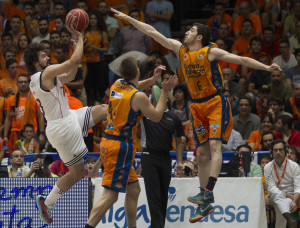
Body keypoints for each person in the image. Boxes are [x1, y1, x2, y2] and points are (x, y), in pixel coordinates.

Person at [111, 7, 281, 222]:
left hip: (215, 102)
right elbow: (153, 32)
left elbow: (242, 60)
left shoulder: (210, 52)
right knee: (200, 154)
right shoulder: (180, 49)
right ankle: (205, 202)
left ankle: (208, 191)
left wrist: (268, 68)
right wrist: (128, 19)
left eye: (191, 30)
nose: (186, 32)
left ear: (199, 37)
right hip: (197, 106)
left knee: (214, 147)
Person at [24, 25, 108, 224]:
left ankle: (122, 128)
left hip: (68, 117)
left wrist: (74, 46)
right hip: (62, 128)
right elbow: (75, 61)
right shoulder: (45, 73)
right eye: (44, 56)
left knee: (104, 109)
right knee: (78, 173)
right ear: (36, 62)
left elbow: (70, 75)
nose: (48, 58)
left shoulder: (42, 77)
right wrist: (79, 40)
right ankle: (48, 202)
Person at [85, 58, 177, 228]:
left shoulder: (117, 84)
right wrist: (165, 91)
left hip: (112, 142)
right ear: (137, 71)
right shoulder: (139, 97)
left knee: (134, 190)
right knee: (110, 195)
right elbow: (156, 116)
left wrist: (151, 80)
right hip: (120, 146)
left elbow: (134, 87)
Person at [140, 89, 185, 228]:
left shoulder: (174, 117)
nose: (150, 99)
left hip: (165, 158)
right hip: (149, 157)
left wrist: (179, 162)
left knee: (163, 196)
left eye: (153, 97)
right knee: (154, 197)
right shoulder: (144, 114)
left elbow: (179, 141)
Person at [264, 139, 300, 228]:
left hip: (291, 198)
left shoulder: (294, 166)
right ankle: (290, 218)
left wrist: (295, 201)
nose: (278, 152)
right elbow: (271, 188)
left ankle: (289, 218)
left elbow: (298, 187)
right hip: (274, 196)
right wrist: (282, 194)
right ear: (271, 152)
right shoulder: (268, 167)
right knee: (277, 194)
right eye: (275, 150)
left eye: (280, 150)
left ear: (286, 151)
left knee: (284, 203)